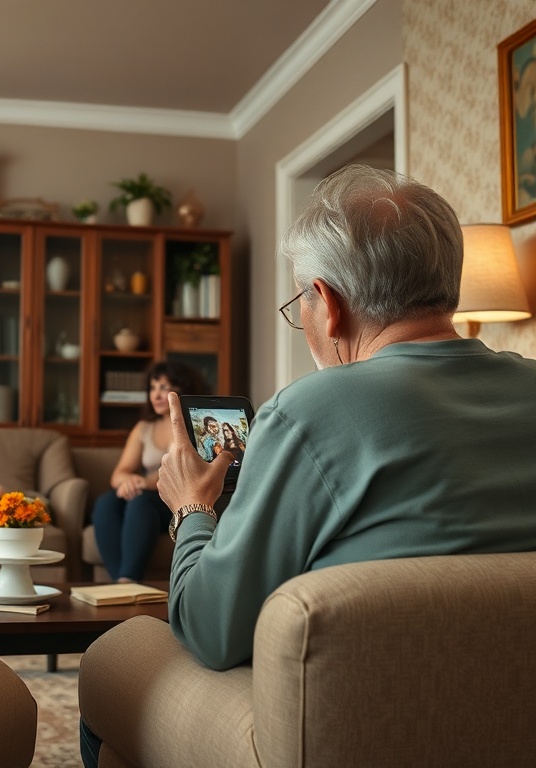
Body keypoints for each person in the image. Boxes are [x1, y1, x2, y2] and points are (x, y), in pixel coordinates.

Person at [80, 165, 536, 766]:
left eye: (300, 305)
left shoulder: (310, 410)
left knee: (115, 656)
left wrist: (191, 509)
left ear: (326, 302)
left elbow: (211, 630)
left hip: (356, 729)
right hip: (510, 720)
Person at [90, 360, 205, 582]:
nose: (156, 395)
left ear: (184, 389)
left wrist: (145, 483)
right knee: (105, 502)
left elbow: (188, 471)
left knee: (140, 502)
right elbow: (119, 474)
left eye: (164, 387)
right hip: (144, 493)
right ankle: (122, 583)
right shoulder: (144, 427)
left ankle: (127, 580)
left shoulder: (195, 424)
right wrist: (131, 481)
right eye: (153, 388)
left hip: (174, 499)